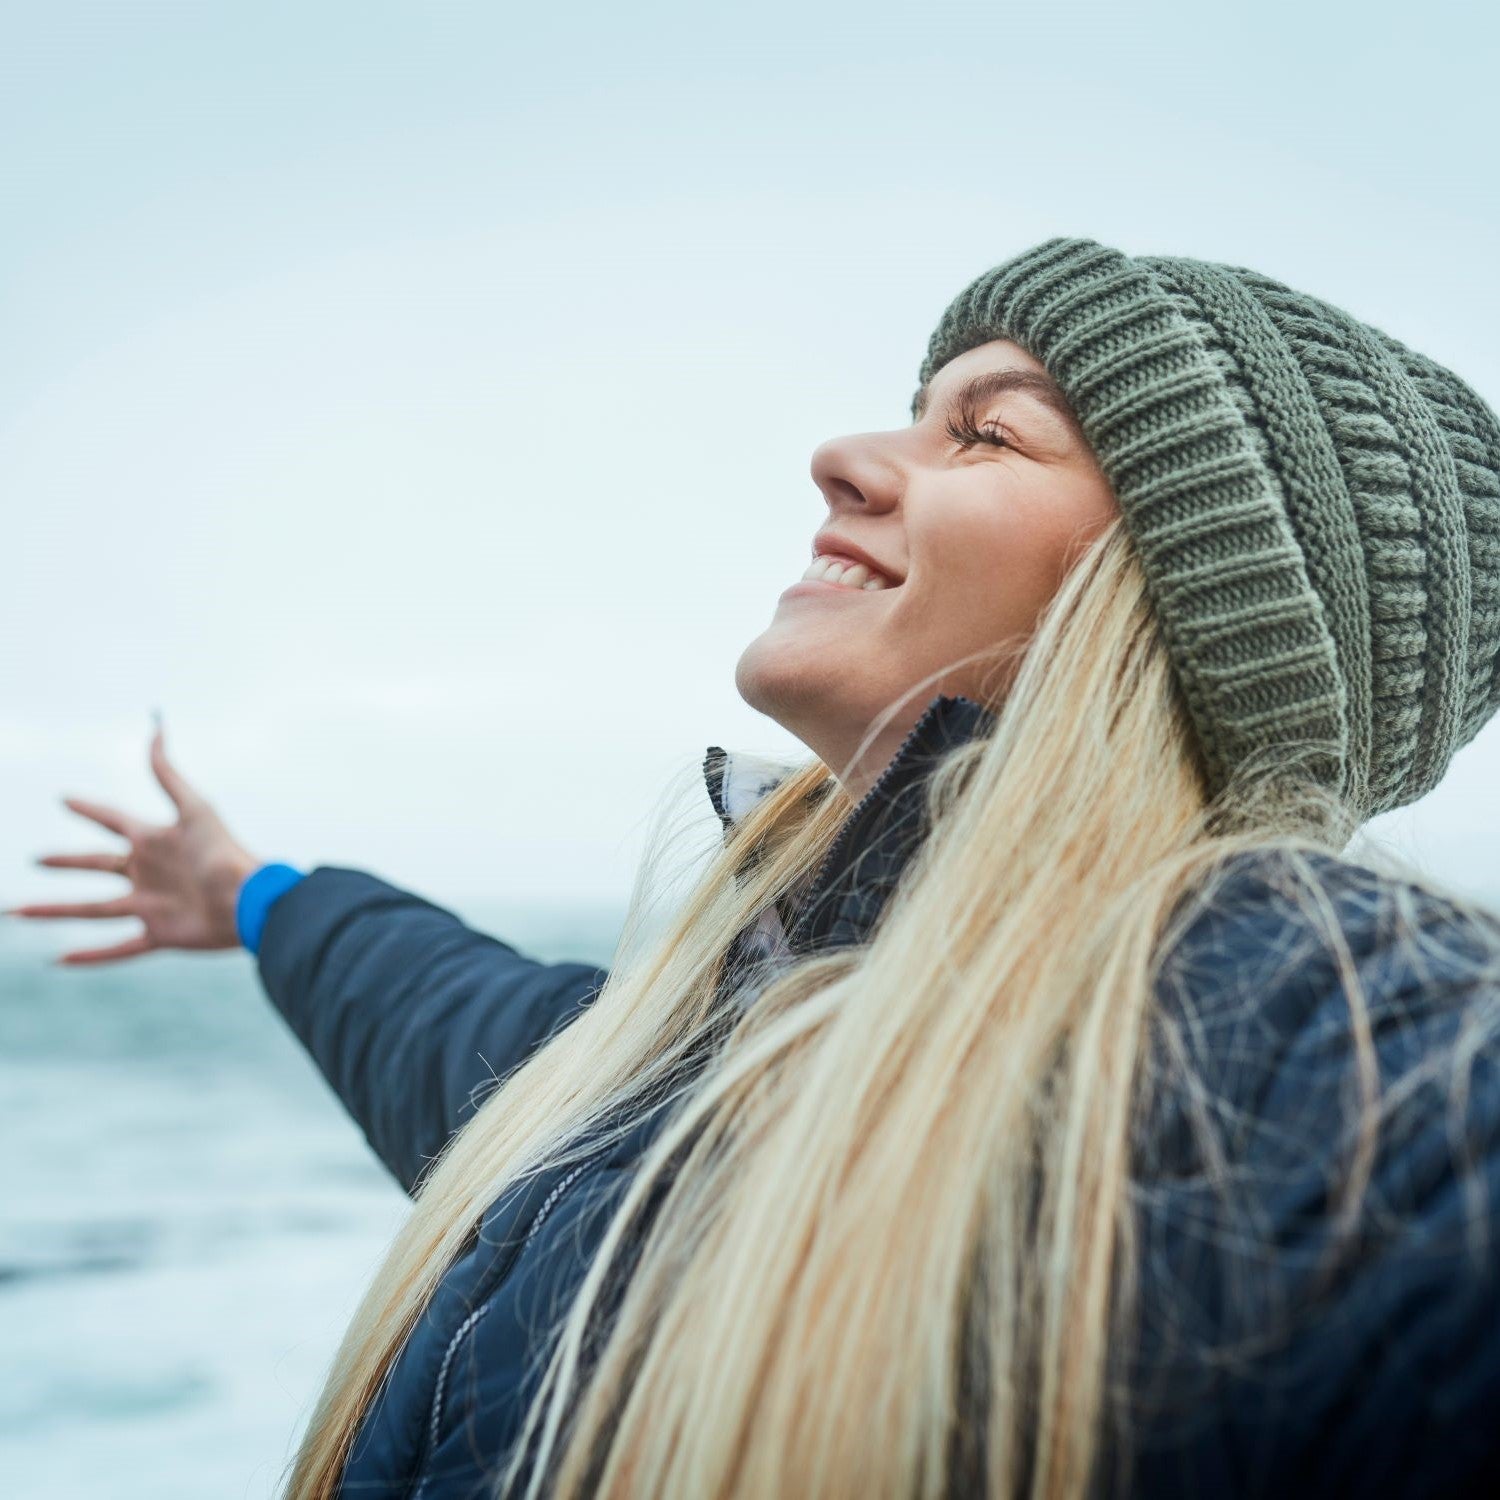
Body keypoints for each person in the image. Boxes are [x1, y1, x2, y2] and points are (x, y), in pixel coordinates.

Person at [11, 234, 1500, 1499]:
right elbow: (443, 1013)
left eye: (986, 432)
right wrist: (255, 897)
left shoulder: (1325, 1037)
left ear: (1204, 604)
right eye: (917, 413)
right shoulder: (683, 1048)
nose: (845, 456)